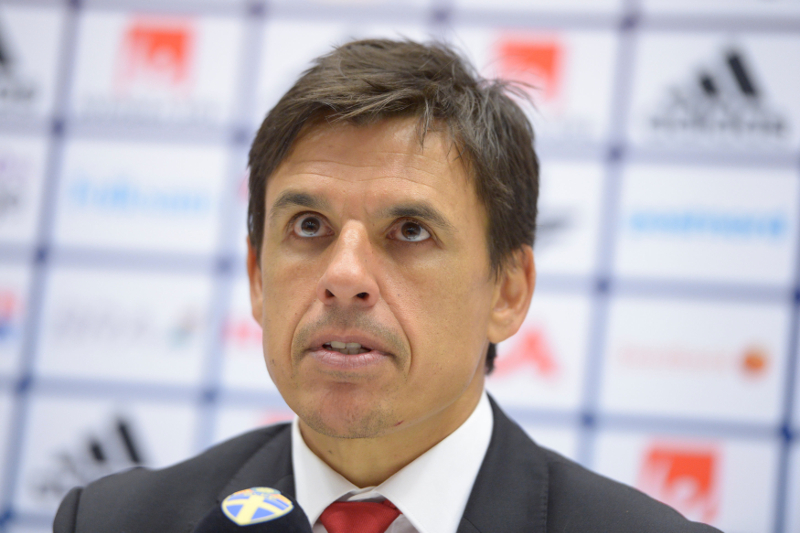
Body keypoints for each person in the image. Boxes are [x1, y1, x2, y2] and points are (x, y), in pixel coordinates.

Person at [53, 39, 721, 533]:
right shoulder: (114, 521)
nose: (344, 276)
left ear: (508, 291)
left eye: (408, 231)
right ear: (258, 277)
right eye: (309, 225)